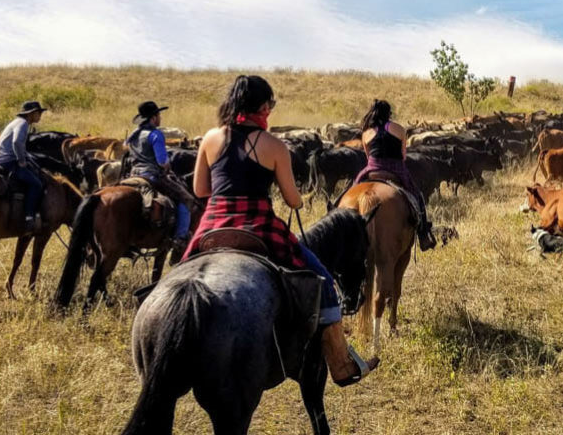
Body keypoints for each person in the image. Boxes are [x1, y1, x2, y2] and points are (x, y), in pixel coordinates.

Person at [183, 75, 376, 386]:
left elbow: (200, 189)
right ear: (262, 107)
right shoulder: (273, 146)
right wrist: (296, 197)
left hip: (213, 225)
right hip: (257, 226)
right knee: (323, 280)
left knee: (181, 273)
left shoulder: (210, 138)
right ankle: (340, 364)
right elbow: (292, 199)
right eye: (269, 106)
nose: (270, 112)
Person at [349, 99, 437, 250]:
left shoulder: (366, 133)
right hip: (395, 169)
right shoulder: (399, 129)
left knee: (351, 190)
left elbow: (368, 157)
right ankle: (423, 234)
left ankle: (339, 222)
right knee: (417, 196)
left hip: (372, 169)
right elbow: (403, 156)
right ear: (389, 113)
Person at [125, 101, 193, 255]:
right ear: (153, 118)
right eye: (159, 115)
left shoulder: (133, 135)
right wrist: (168, 165)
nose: (160, 118)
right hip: (152, 176)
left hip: (133, 175)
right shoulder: (155, 135)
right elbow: (162, 161)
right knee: (186, 200)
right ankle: (180, 239)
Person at [0, 100, 47, 232]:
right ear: (31, 114)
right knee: (36, 184)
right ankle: (29, 217)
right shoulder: (23, 123)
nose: (40, 115)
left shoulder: (16, 122)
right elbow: (17, 142)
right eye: (38, 112)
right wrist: (21, 160)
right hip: (7, 161)